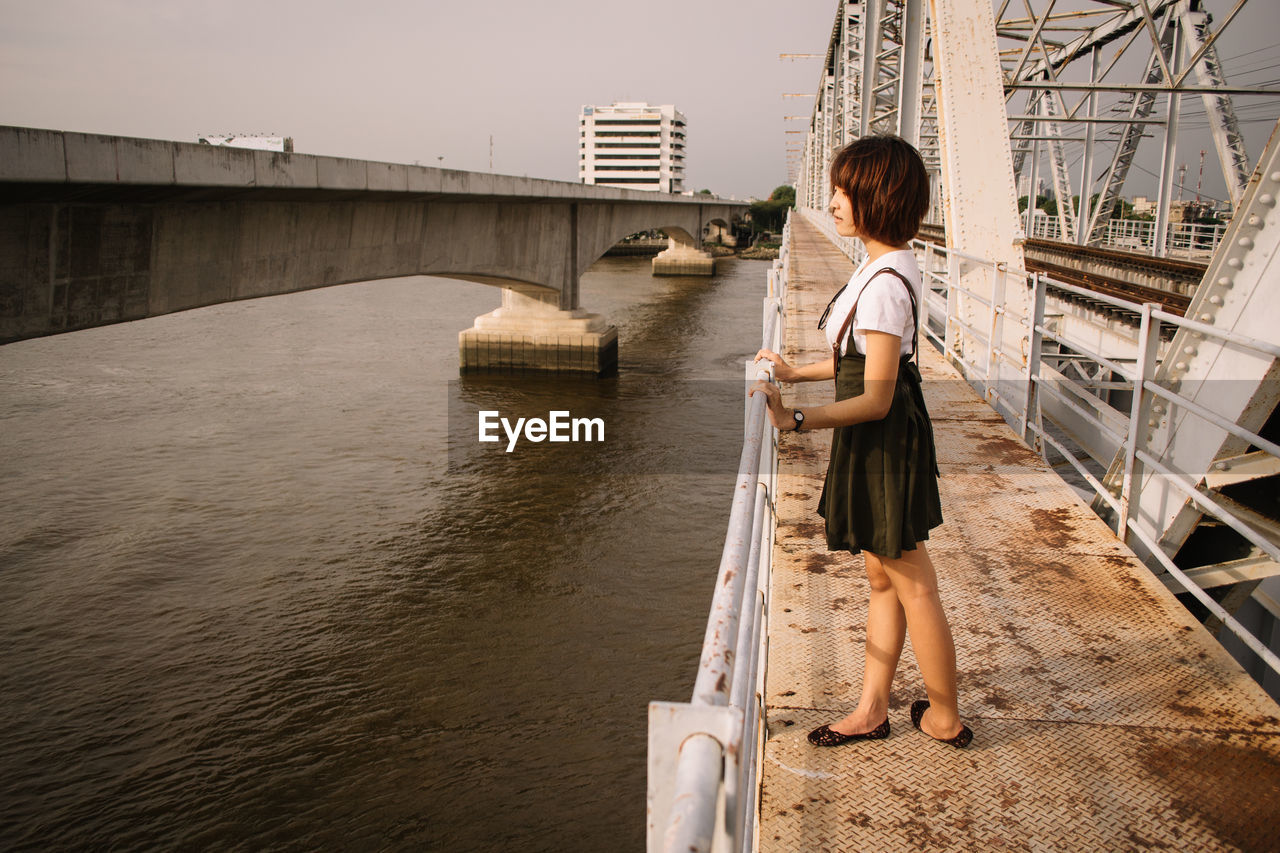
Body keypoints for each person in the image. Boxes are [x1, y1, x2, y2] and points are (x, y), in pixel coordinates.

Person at [750, 135, 971, 749]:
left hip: (880, 438)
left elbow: (873, 396)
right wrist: (796, 372)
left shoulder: (880, 282)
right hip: (883, 434)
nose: (834, 202)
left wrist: (795, 420)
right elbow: (868, 363)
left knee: (911, 578)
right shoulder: (888, 266)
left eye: (846, 192)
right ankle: (873, 707)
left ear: (878, 198)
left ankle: (945, 716)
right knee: (883, 575)